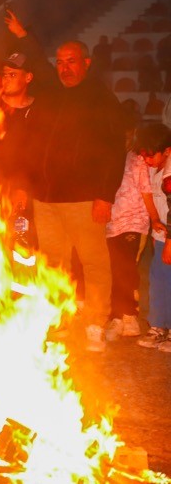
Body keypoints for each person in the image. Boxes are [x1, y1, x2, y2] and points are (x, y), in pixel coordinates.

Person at [28, 40, 128, 352]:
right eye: (60, 62)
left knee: (93, 261)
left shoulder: (101, 99)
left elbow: (115, 151)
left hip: (84, 197)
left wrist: (104, 195)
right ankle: (59, 320)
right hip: (46, 198)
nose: (65, 68)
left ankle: (96, 323)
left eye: (71, 61)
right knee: (55, 263)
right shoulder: (51, 95)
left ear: (86, 62)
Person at [107, 124, 170, 340]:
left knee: (137, 271)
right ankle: (144, 322)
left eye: (151, 155)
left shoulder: (155, 168)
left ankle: (137, 320)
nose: (146, 159)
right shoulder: (136, 162)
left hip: (151, 229)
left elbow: (153, 197)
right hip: (132, 227)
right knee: (144, 274)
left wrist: (156, 224)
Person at [137, 128, 171, 352]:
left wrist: (169, 242)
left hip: (169, 237)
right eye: (144, 155)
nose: (147, 160)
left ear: (167, 151)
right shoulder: (154, 169)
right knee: (158, 279)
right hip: (160, 236)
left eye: (152, 155)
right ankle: (158, 326)